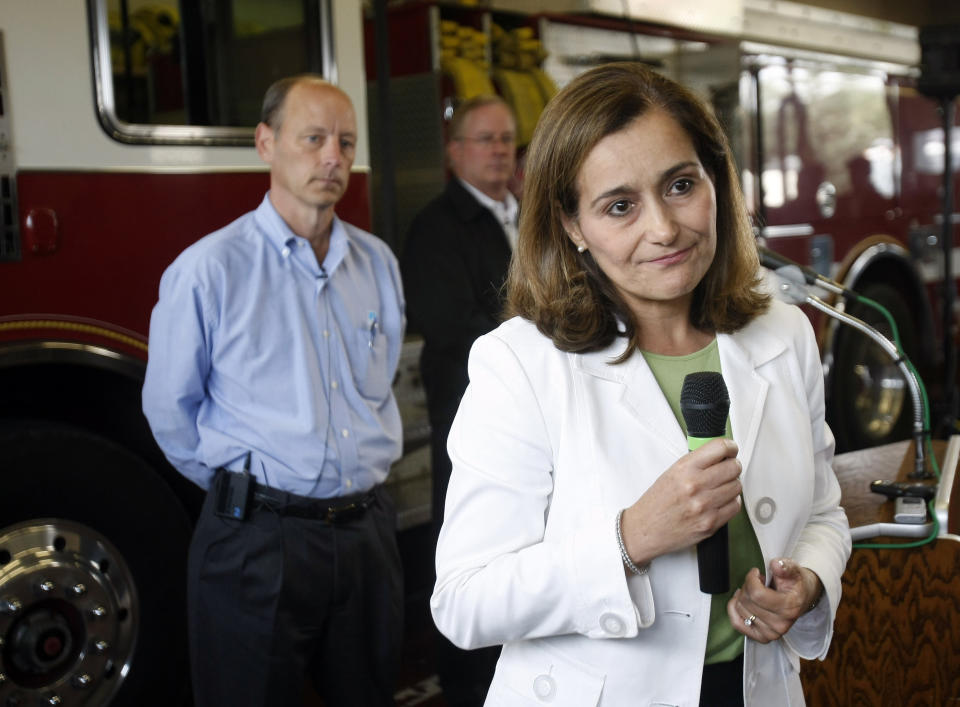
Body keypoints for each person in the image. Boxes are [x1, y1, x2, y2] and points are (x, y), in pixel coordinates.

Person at [430, 62, 851, 706]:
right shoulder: (519, 364)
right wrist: (630, 539)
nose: (663, 228)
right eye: (620, 206)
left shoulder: (783, 333)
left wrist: (810, 581)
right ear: (572, 226)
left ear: (716, 180)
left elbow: (823, 509)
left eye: (681, 185)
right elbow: (465, 601)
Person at [142, 74, 405, 707]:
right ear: (266, 144)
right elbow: (168, 411)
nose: (332, 158)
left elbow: (382, 377)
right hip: (255, 544)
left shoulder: (377, 263)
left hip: (366, 536)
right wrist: (247, 496)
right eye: (312, 138)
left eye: (345, 141)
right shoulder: (209, 270)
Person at [401, 95, 517, 706]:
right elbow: (451, 325)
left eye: (506, 139)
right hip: (469, 417)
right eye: (484, 139)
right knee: (472, 543)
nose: (499, 150)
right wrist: (549, 332)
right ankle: (465, 680)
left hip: (539, 417)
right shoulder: (435, 228)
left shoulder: (531, 216)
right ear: (454, 152)